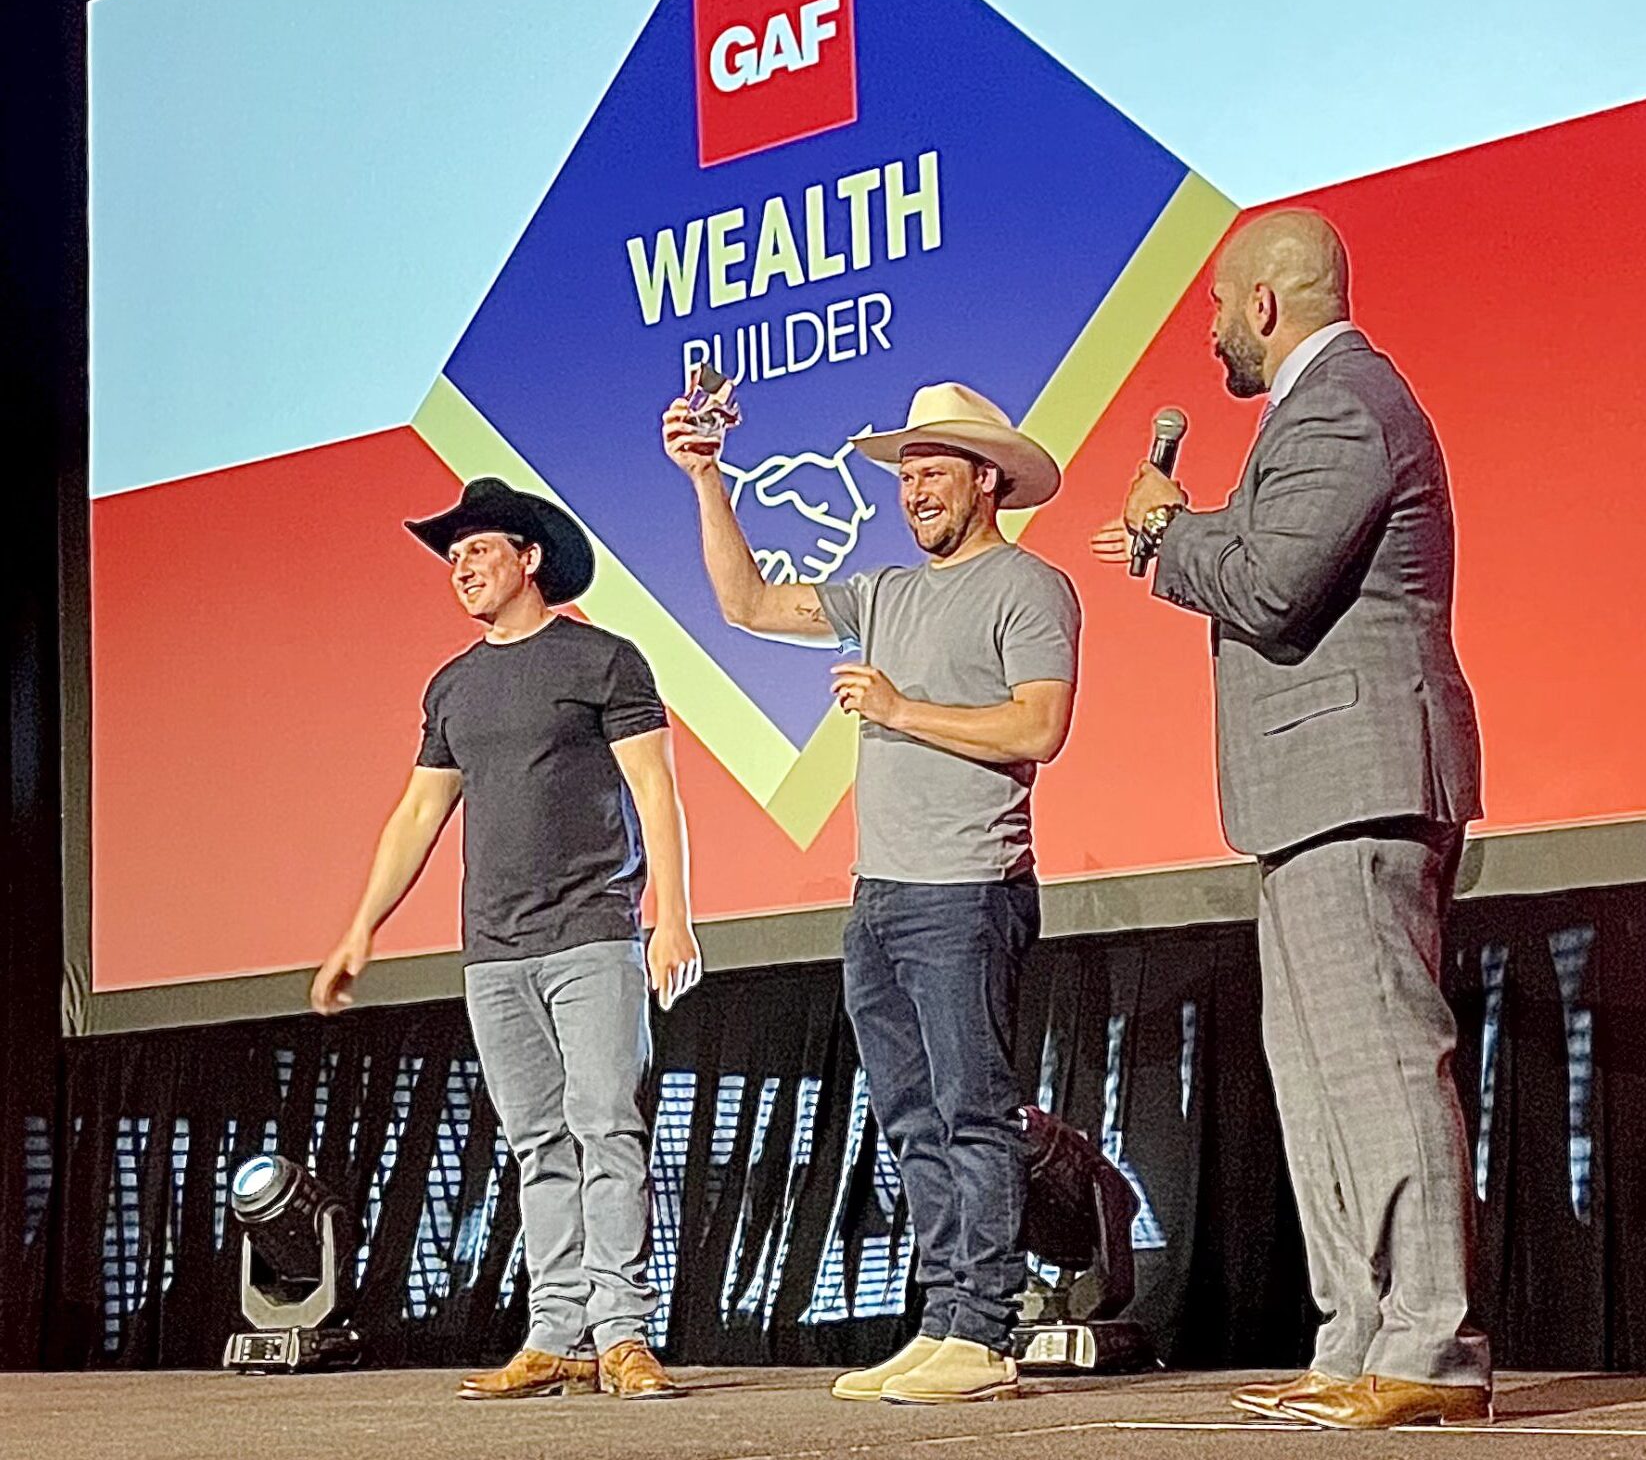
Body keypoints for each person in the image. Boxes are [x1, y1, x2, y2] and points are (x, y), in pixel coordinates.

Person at [1092, 210, 1489, 1430]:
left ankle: (1429, 1346)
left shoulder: (1341, 405)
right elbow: (1268, 554)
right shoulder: (1313, 413)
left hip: (1356, 779)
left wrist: (1167, 527)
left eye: (1217, 304)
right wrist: (1179, 529)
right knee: (1318, 1082)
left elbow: (1269, 584)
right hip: (1309, 791)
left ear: (1262, 303)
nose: (1211, 327)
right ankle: (1355, 1336)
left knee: (1378, 1062)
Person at [663, 381, 1080, 1404]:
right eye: (905, 474)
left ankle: (985, 1330)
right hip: (880, 896)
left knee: (974, 1110)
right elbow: (748, 604)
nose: (914, 490)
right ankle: (943, 1319)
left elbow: (1037, 728)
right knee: (911, 1116)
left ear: (987, 479)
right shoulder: (885, 591)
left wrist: (899, 707)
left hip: (966, 888)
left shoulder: (1028, 586)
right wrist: (707, 478)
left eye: (933, 470)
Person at [309, 476, 701, 1401]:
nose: (461, 568)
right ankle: (557, 1332)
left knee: (606, 1127)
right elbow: (419, 813)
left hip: (593, 933)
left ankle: (622, 1333)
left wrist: (673, 916)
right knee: (537, 1142)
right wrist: (360, 929)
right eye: (453, 558)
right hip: (494, 952)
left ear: (529, 559)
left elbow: (656, 788)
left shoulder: (602, 660)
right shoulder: (453, 686)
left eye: (478, 550)